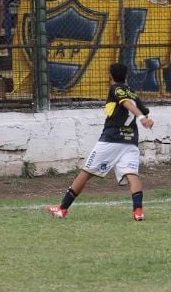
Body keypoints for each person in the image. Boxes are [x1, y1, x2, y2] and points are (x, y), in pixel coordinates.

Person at [46, 62, 154, 221]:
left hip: (111, 139)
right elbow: (141, 108)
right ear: (126, 76)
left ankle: (62, 209)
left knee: (86, 172)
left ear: (110, 75)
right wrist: (144, 116)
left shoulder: (116, 89)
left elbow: (126, 103)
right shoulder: (132, 92)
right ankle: (138, 211)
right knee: (131, 174)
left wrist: (142, 118)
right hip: (130, 141)